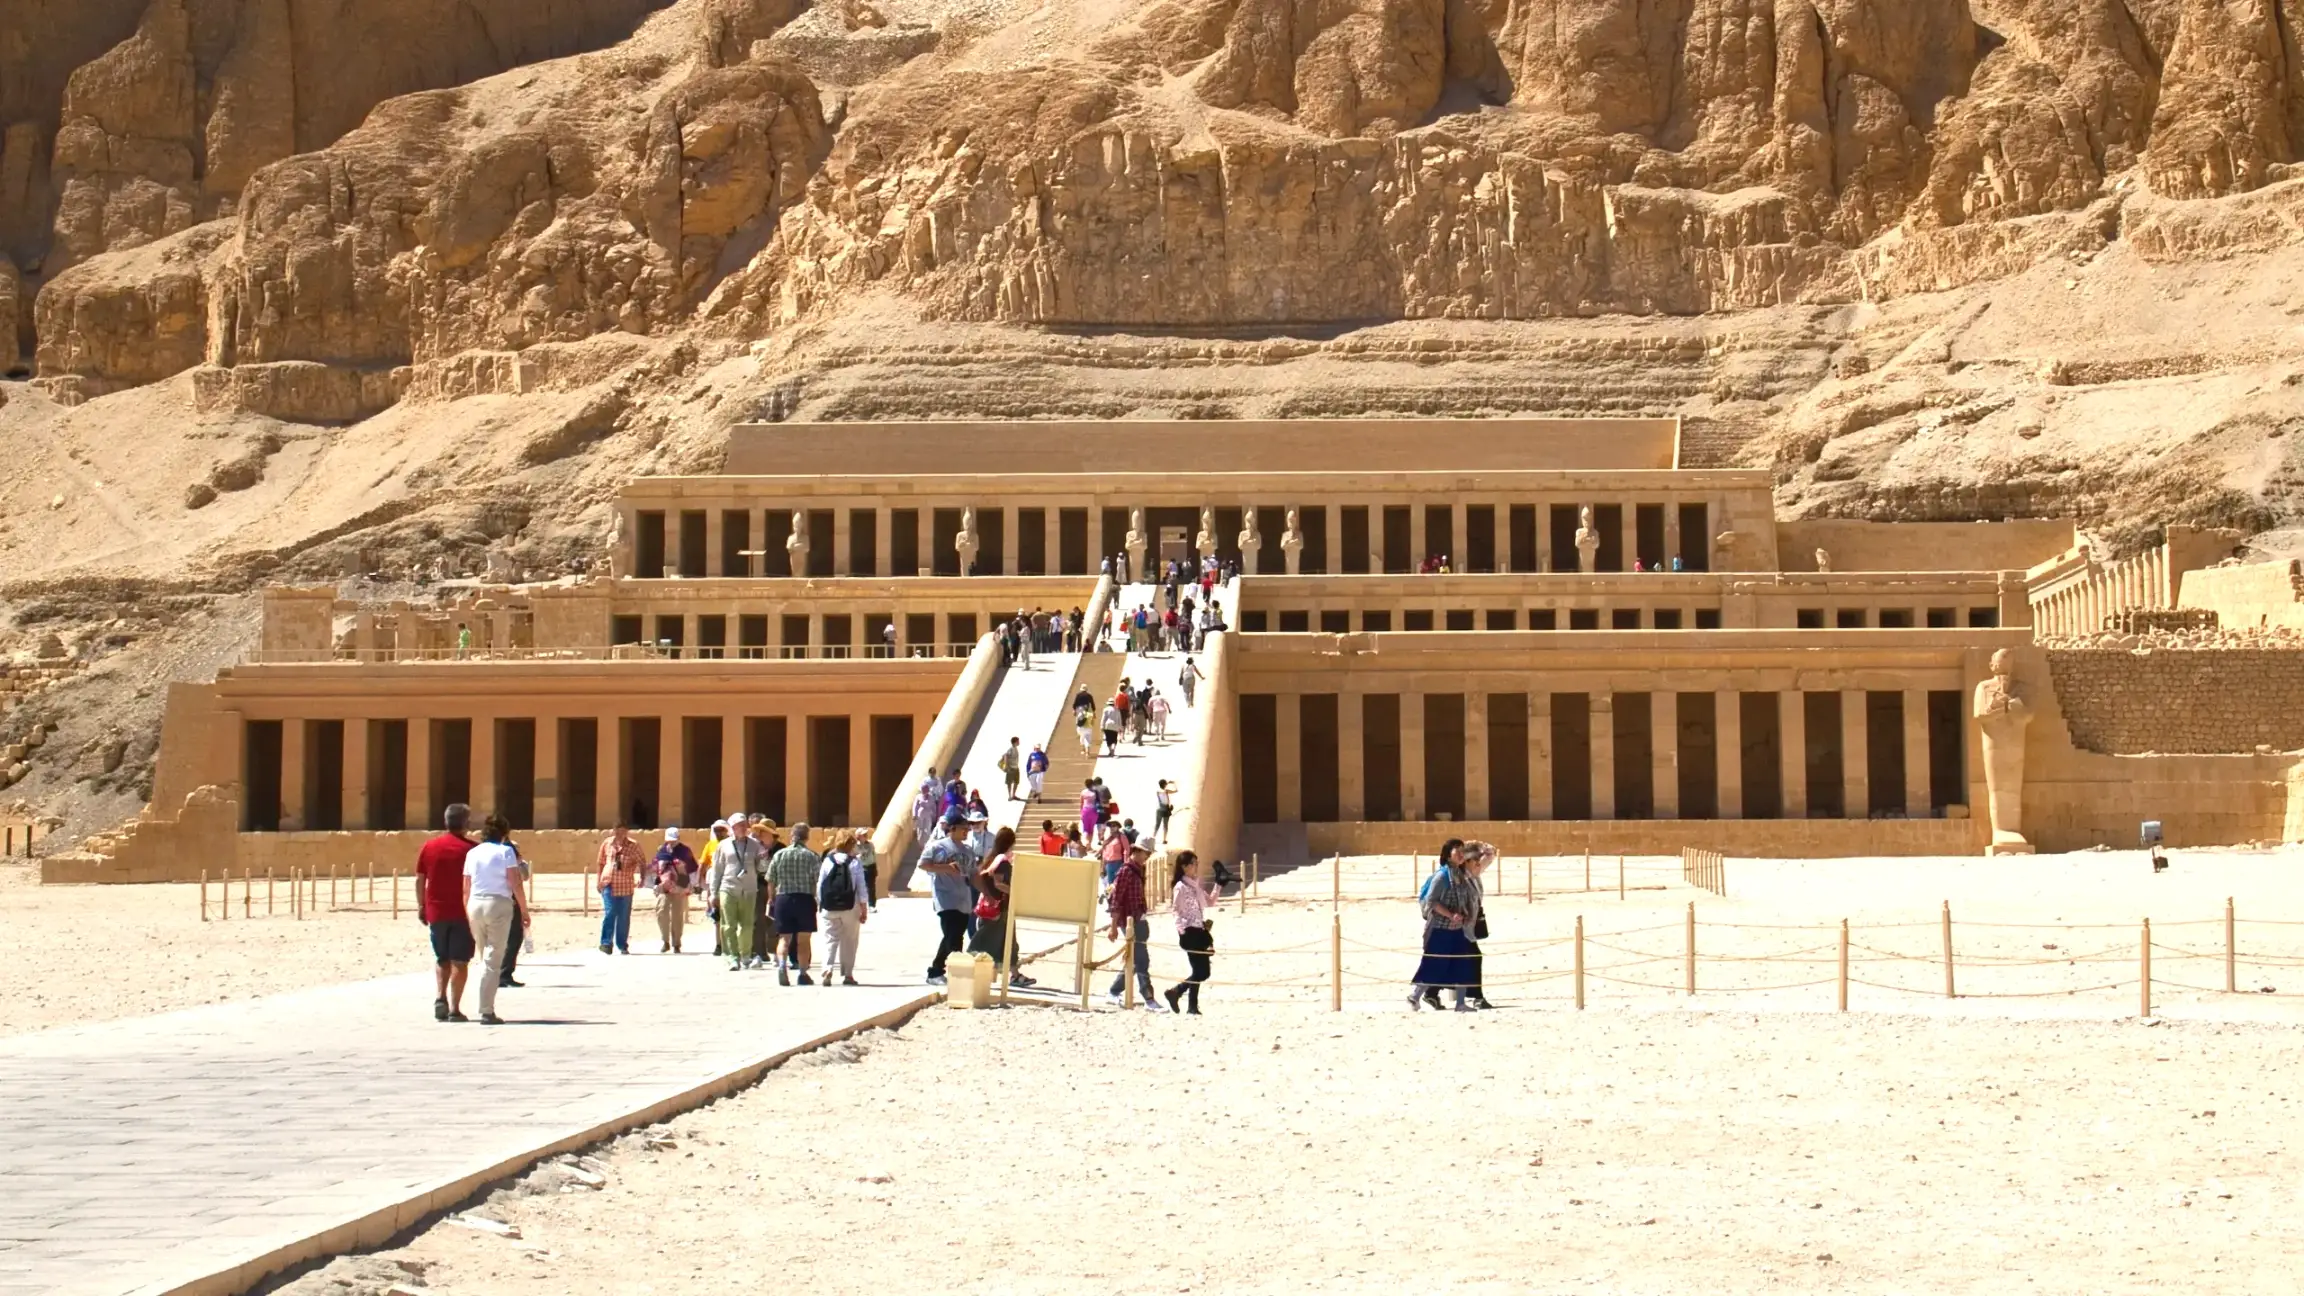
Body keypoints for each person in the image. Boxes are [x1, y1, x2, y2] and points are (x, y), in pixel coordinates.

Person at [462, 814, 528, 1026]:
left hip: (475, 904)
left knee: (485, 957)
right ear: (504, 833)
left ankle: (484, 1003)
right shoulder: (505, 851)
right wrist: (524, 910)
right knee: (493, 959)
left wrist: (467, 911)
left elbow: (466, 887)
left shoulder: (472, 853)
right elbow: (515, 882)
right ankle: (486, 1010)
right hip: (498, 903)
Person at [415, 803, 476, 1022]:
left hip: (436, 910)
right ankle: (455, 1009)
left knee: (442, 957)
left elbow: (420, 879)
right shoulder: (472, 850)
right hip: (463, 912)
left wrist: (421, 905)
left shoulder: (430, 846)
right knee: (460, 960)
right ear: (466, 823)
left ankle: (440, 997)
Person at [1408, 839, 1480, 1012]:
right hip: (1440, 930)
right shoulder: (1442, 876)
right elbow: (1432, 901)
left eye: (1463, 850)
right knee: (1434, 964)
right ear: (1448, 855)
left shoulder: (1461, 875)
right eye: (1457, 851)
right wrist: (1451, 915)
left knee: (1462, 964)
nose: (1461, 854)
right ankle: (1415, 997)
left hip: (1458, 929)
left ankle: (1460, 1003)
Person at [968, 826, 1033, 987]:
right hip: (998, 909)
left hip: (998, 908)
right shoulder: (1002, 861)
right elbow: (998, 883)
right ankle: (969, 972)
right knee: (985, 943)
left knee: (1008, 942)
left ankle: (1015, 975)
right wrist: (1015, 891)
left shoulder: (992, 858)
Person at [919, 812, 978, 984]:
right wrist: (946, 868)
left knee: (956, 936)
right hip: (946, 898)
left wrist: (987, 893)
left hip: (964, 899)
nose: (966, 831)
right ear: (952, 828)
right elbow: (923, 864)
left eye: (967, 829)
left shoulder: (968, 850)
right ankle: (937, 972)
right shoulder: (937, 847)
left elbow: (974, 875)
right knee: (952, 936)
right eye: (963, 828)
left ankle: (951, 973)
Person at [708, 813, 766, 971]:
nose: (744, 827)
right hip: (728, 888)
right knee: (728, 925)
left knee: (747, 925)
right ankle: (731, 957)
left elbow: (762, 869)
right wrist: (713, 892)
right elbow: (717, 870)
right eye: (740, 825)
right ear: (733, 827)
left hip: (749, 889)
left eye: (745, 824)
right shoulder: (723, 845)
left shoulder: (754, 844)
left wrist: (763, 859)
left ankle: (745, 955)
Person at [1104, 842, 1158, 1007]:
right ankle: (1148, 998)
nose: (1147, 857)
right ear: (1137, 851)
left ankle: (1114, 991)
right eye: (1146, 853)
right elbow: (1116, 899)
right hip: (1128, 921)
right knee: (1142, 960)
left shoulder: (1139, 869)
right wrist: (1113, 926)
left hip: (1139, 919)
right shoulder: (1126, 870)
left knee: (1136, 961)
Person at [1163, 850, 1217, 1015]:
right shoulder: (1180, 887)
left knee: (1201, 971)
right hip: (1189, 932)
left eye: (1197, 863)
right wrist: (1181, 930)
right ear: (1184, 867)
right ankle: (1179, 994)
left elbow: (1210, 901)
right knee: (1201, 971)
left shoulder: (1195, 885)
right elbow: (1175, 910)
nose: (1196, 866)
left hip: (1200, 931)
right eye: (1193, 863)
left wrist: (1219, 884)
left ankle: (1188, 1002)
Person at [768, 822, 822, 985]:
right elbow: (818, 880)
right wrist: (817, 899)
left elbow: (771, 879)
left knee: (784, 938)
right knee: (803, 940)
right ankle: (803, 974)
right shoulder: (811, 856)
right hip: (804, 899)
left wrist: (771, 898)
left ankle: (782, 966)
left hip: (783, 898)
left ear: (792, 836)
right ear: (807, 837)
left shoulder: (780, 855)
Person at [817, 829, 870, 985]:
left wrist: (821, 904)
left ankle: (827, 969)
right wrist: (864, 909)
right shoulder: (855, 862)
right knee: (850, 941)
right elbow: (861, 887)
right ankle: (847, 974)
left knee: (830, 939)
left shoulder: (828, 861)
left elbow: (820, 885)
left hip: (829, 907)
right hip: (850, 907)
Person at [595, 823, 643, 954]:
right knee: (610, 912)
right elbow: (600, 862)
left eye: (622, 831)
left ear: (626, 831)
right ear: (613, 831)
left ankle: (622, 945)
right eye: (617, 831)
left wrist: (642, 877)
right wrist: (598, 880)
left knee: (623, 916)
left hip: (625, 885)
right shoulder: (607, 843)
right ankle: (606, 943)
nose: (619, 834)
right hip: (608, 883)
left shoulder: (634, 845)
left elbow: (642, 862)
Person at [1461, 840, 1497, 1010]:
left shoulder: (1473, 874)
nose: (1479, 863)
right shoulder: (1461, 877)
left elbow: (1490, 854)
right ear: (1467, 861)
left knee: (1457, 959)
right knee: (1472, 958)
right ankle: (1477, 997)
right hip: (1457, 925)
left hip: (1468, 925)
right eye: (1476, 861)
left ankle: (1430, 992)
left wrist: (1481, 845)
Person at [654, 827, 698, 953]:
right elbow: (656, 868)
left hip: (680, 886)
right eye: (669, 840)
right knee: (661, 911)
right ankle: (665, 941)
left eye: (673, 840)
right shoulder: (661, 850)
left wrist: (692, 885)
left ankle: (676, 943)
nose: (671, 842)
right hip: (664, 886)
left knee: (677, 915)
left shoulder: (685, 851)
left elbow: (692, 868)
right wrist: (656, 884)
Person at [998, 737, 1023, 801]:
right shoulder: (1011, 749)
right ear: (1015, 742)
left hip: (1016, 768)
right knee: (1009, 783)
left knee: (1016, 782)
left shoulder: (1015, 748)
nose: (1019, 742)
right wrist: (1006, 766)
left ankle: (1013, 795)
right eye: (1018, 741)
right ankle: (1009, 796)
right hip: (1011, 768)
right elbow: (1005, 756)